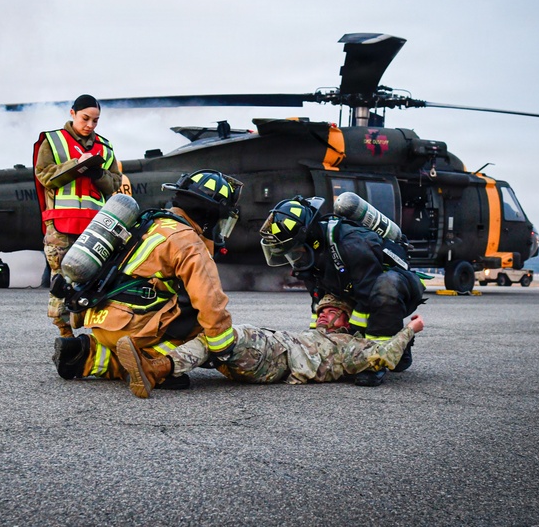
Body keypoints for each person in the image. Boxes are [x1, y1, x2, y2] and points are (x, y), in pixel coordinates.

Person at [52, 170, 242, 388]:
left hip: (100, 322)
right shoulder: (188, 241)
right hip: (133, 330)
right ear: (209, 216)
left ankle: (88, 355)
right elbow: (210, 301)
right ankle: (152, 364)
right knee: (202, 317)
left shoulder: (149, 222)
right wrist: (222, 347)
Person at [256, 196, 426, 386]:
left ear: (309, 238)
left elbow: (366, 299)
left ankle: (375, 363)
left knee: (384, 289)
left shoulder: (353, 245)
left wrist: (357, 347)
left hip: (396, 285)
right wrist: (316, 340)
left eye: (293, 250)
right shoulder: (310, 257)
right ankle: (397, 347)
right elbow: (318, 300)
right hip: (358, 286)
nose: (292, 257)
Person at [116, 314, 424, 397]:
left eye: (332, 312)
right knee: (208, 335)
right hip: (268, 356)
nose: (323, 316)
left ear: (345, 321)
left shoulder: (352, 347)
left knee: (228, 333)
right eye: (322, 310)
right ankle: (155, 368)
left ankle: (155, 370)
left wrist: (411, 328)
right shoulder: (319, 334)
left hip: (277, 358)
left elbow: (385, 356)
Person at [34, 94, 122, 338]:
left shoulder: (105, 147)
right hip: (61, 226)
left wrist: (97, 173)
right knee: (60, 280)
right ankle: (65, 333)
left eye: (96, 121)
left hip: (94, 227)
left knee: (97, 279)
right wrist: (76, 165)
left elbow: (115, 184)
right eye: (86, 119)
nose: (90, 125)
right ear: (72, 113)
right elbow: (45, 177)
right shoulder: (52, 141)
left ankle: (97, 332)